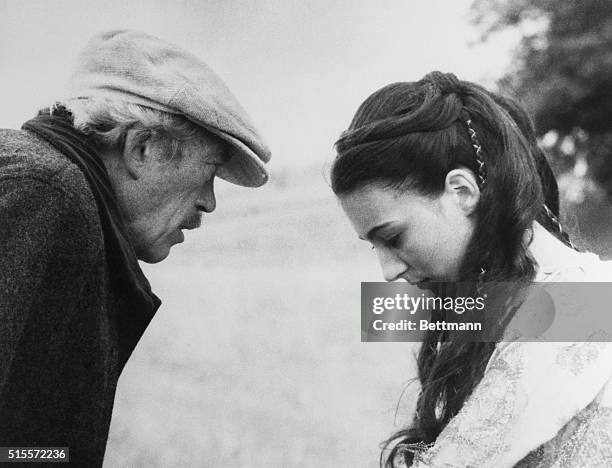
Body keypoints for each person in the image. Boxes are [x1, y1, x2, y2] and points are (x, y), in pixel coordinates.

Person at [0, 30, 270, 466]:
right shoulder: (47, 195)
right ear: (142, 148)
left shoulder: (47, 188)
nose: (210, 202)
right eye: (210, 172)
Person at [331, 71, 612, 467]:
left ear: (462, 191)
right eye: (373, 246)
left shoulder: (571, 311)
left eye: (393, 238)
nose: (387, 273)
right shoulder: (559, 295)